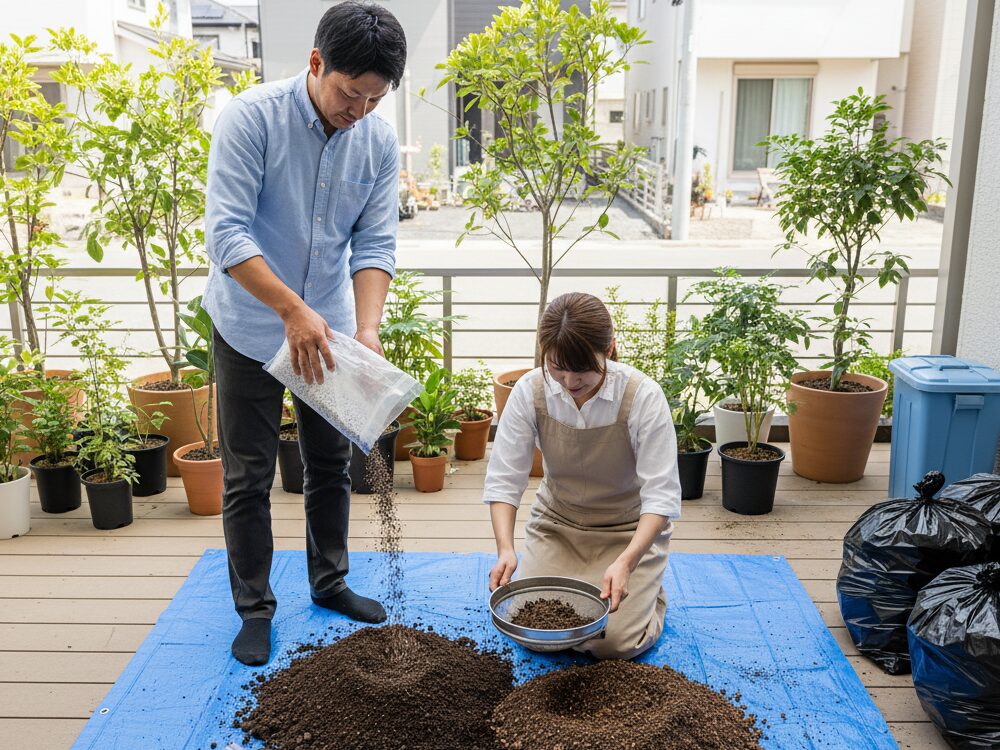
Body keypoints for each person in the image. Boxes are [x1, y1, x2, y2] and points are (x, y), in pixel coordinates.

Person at [203, 2, 406, 666]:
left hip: (331, 329)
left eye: (375, 99)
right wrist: (291, 310)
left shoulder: (376, 141)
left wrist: (367, 328)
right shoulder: (250, 118)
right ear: (317, 63)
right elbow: (226, 234)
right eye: (351, 93)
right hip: (251, 324)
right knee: (249, 476)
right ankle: (255, 609)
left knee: (329, 465)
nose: (360, 111)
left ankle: (330, 582)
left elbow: (374, 244)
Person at [484, 292, 681, 659]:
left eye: (582, 370)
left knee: (613, 643)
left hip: (627, 531)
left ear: (610, 348)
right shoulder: (530, 390)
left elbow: (661, 495)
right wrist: (506, 548)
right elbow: (504, 478)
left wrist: (627, 562)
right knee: (532, 628)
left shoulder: (642, 396)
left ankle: (648, 591)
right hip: (557, 524)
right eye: (558, 367)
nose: (569, 381)